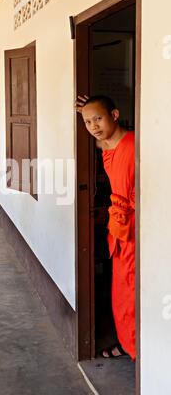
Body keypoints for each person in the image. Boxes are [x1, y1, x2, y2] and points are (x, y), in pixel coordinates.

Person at [76, 95, 135, 360]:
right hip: (119, 229)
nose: (93, 125)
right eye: (88, 121)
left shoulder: (135, 145)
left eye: (98, 118)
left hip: (137, 231)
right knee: (121, 290)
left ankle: (138, 349)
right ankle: (127, 342)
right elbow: (103, 142)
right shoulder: (111, 147)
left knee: (134, 291)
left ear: (114, 114)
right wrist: (90, 108)